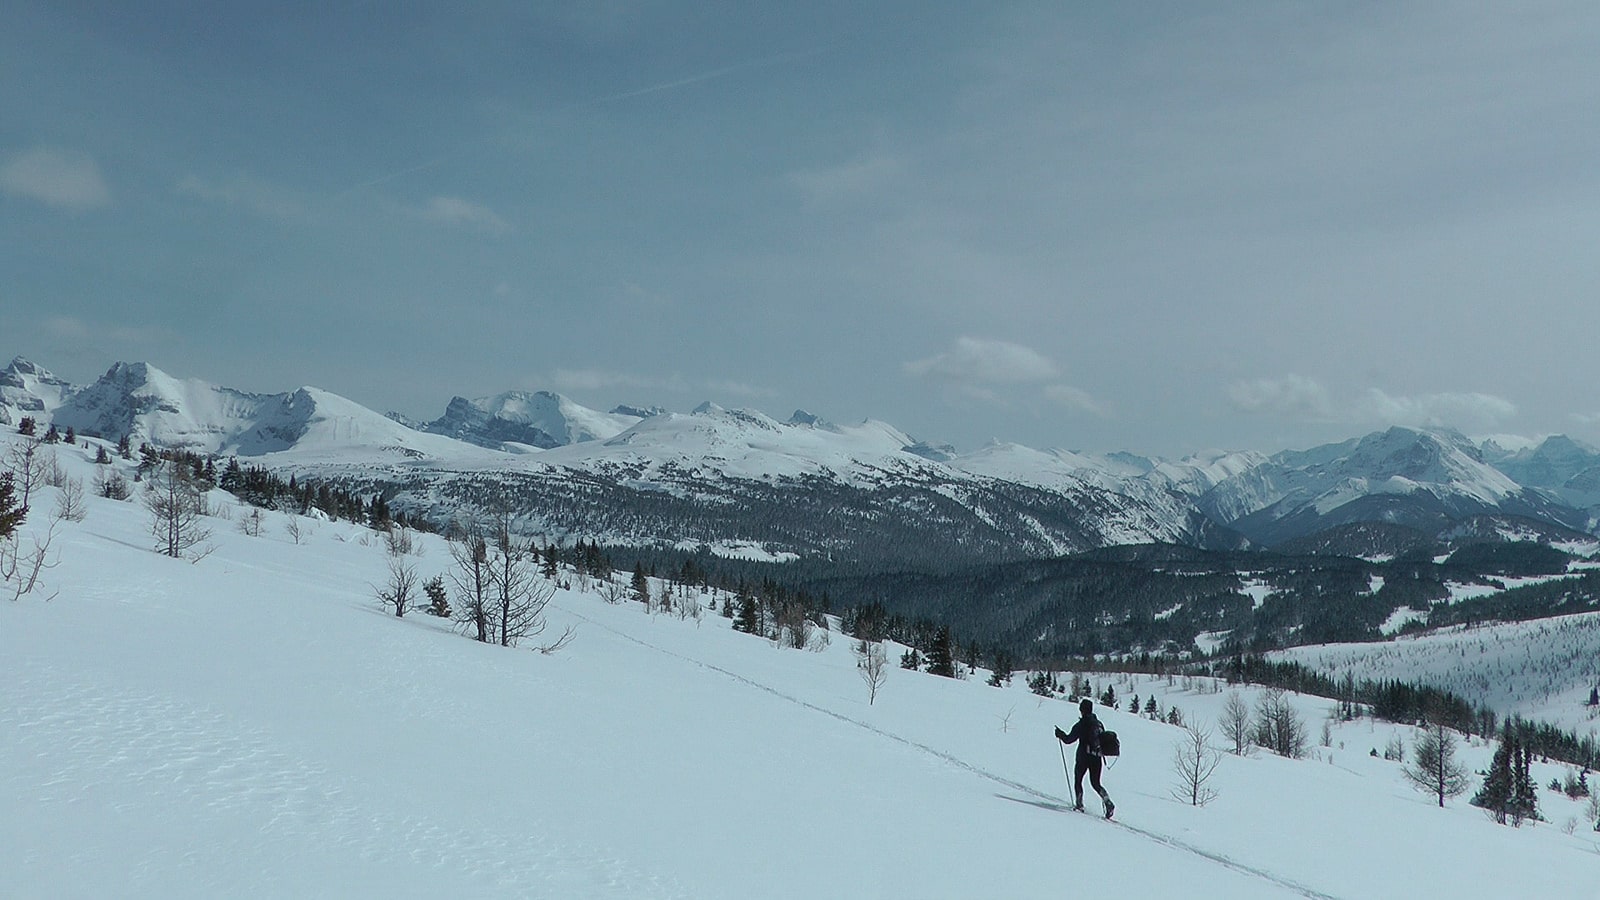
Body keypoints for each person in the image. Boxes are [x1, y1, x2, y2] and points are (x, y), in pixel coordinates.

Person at [1055, 698, 1114, 818]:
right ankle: (1108, 801)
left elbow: (1068, 739)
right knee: (1096, 783)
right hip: (1097, 757)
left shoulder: (1081, 725)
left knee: (1078, 780)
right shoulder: (1099, 723)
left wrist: (1059, 734)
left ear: (1081, 710)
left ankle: (1079, 804)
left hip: (1083, 757)